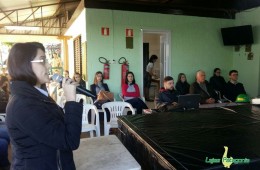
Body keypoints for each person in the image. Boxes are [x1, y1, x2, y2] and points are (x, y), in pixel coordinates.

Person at [6, 42, 83, 170]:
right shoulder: (23, 105)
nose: (48, 65)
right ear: (24, 64)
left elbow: (58, 129)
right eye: (42, 60)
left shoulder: (37, 96)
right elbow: (69, 140)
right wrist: (71, 101)